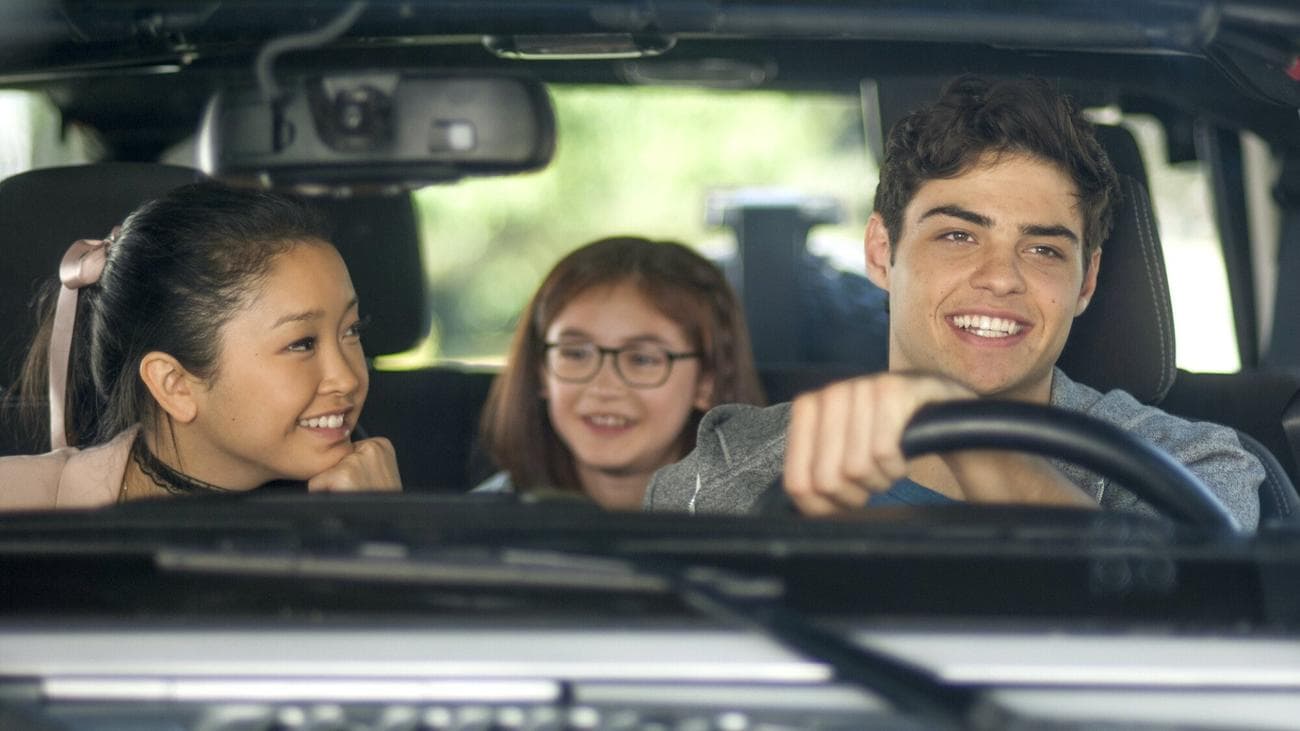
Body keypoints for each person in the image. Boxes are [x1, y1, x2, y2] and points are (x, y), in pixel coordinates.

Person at [643, 75, 1264, 529]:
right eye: (958, 236)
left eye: (1044, 250)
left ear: (1086, 282)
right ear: (882, 253)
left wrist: (956, 426)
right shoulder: (731, 469)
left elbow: (1176, 616)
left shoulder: (1193, 466)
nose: (1001, 278)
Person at [0, 181, 401, 510]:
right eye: (302, 344)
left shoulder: (369, 495)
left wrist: (377, 535)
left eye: (352, 330)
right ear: (174, 384)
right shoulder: (17, 510)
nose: (347, 378)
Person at [476, 236, 766, 509]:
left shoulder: (767, 527)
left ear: (707, 382)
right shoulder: (479, 524)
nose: (604, 386)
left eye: (641, 359)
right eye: (575, 354)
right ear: (540, 372)